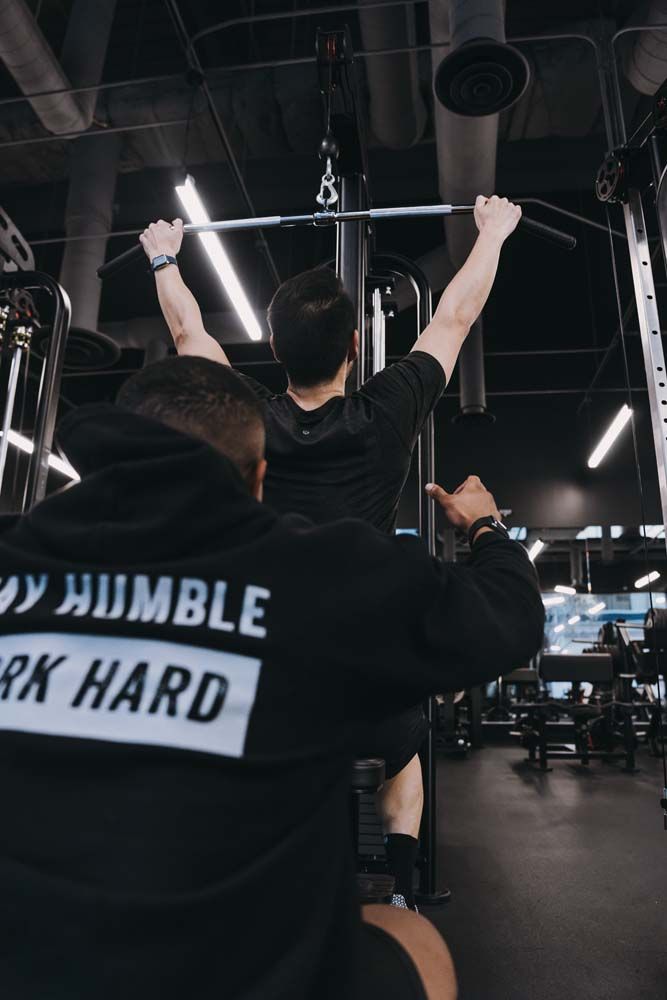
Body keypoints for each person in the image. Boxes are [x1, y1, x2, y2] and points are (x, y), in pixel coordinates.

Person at [0, 356, 543, 1000]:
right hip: (236, 971)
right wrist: (484, 525)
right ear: (259, 480)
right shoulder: (316, 573)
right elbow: (510, 620)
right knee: (414, 938)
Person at [139, 195, 522, 909]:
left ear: (275, 350)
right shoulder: (387, 410)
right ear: (354, 347)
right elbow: (454, 317)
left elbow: (188, 326)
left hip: (276, 645)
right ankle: (398, 888)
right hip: (365, 641)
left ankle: (273, 876)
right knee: (402, 754)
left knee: (274, 748)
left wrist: (164, 253)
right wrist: (493, 233)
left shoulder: (246, 409)